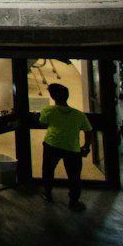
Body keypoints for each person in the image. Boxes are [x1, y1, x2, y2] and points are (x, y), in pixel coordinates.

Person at [39, 82, 94, 210]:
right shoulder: (79, 115)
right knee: (74, 175)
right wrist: (86, 146)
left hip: (51, 145)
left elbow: (43, 123)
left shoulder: (47, 110)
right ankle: (74, 201)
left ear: (52, 97)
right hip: (72, 148)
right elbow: (88, 131)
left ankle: (47, 193)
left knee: (48, 170)